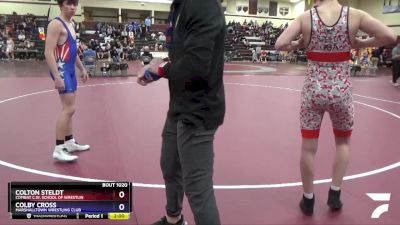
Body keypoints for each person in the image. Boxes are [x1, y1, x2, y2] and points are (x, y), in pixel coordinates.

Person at [275, 0, 396, 216]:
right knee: (343, 142)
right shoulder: (355, 15)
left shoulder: (306, 17)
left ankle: (308, 199)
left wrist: (297, 44)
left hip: (313, 91)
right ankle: (335, 193)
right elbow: (388, 36)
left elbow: (280, 43)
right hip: (341, 90)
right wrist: (359, 43)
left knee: (308, 147)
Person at [137, 0, 226, 224]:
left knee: (198, 190)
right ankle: (173, 219)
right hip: (179, 105)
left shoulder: (202, 5)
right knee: (170, 165)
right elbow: (184, 55)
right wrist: (159, 69)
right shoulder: (180, 6)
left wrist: (159, 67)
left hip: (199, 111)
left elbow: (196, 66)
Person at [45, 0, 90, 162]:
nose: (72, 7)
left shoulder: (71, 24)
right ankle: (58, 148)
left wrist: (82, 68)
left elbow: (73, 50)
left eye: (75, 4)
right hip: (62, 70)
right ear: (61, 5)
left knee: (71, 108)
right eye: (69, 4)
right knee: (68, 109)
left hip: (70, 69)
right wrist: (57, 76)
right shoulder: (55, 25)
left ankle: (69, 142)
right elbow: (48, 52)